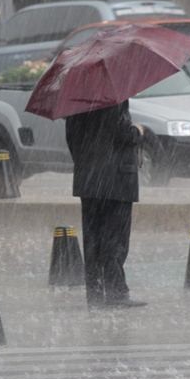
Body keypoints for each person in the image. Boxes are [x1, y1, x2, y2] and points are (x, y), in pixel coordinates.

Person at [65, 100, 147, 309]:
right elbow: (121, 134)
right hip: (117, 181)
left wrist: (88, 164)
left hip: (89, 180)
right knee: (115, 239)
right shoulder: (112, 98)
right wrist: (137, 131)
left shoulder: (77, 101)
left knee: (93, 239)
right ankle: (116, 292)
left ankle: (95, 292)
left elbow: (72, 140)